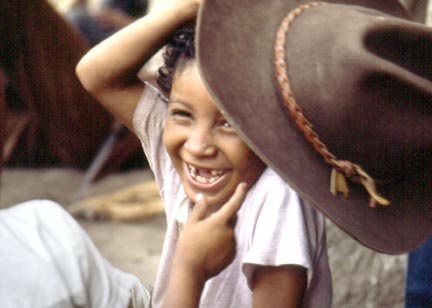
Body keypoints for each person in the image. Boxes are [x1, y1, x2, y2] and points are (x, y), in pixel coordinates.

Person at [76, 0, 332, 307]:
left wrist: (189, 268)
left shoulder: (280, 198)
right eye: (183, 115)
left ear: (272, 131)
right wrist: (182, 11)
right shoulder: (180, 156)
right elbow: (94, 74)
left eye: (228, 123)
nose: (197, 146)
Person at [66, 0, 148, 46]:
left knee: (76, 19)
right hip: (106, 31)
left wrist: (122, 21)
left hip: (127, 33)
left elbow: (153, 26)